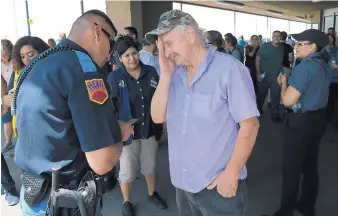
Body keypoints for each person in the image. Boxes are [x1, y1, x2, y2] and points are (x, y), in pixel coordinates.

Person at [14, 10, 133, 216]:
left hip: (32, 194)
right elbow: (102, 162)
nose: (110, 53)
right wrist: (120, 134)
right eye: (111, 44)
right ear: (97, 31)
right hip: (65, 203)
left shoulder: (37, 63)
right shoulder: (84, 67)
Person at [146, 10, 260, 216]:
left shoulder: (229, 70)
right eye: (160, 46)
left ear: (190, 35)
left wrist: (232, 174)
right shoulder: (174, 74)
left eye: (168, 43)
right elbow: (157, 117)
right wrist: (165, 75)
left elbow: (250, 125)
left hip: (217, 185)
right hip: (183, 184)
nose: (164, 52)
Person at [274, 29, 331, 216]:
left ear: (312, 46)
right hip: (318, 120)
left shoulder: (304, 67)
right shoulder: (324, 64)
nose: (295, 47)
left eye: (300, 44)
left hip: (301, 123)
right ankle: (307, 206)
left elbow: (288, 101)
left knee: (291, 169)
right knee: (310, 165)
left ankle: (286, 211)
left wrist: (284, 83)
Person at [108, 36, 167, 216]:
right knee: (127, 171)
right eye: (127, 55)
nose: (132, 58)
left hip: (150, 129)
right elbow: (110, 107)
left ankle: (151, 193)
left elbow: (160, 97)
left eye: (134, 53)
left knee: (150, 166)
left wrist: (162, 120)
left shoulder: (150, 72)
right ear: (120, 57)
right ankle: (127, 201)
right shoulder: (115, 77)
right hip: (128, 134)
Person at [5, 36, 50, 138]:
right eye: (22, 56)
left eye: (31, 54)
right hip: (22, 126)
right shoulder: (17, 71)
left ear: (41, 51)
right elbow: (7, 97)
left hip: (44, 127)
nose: (26, 59)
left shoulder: (51, 70)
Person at [256, 30, 284, 121]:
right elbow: (257, 59)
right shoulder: (265, 46)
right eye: (274, 36)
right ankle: (257, 110)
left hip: (276, 77)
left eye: (278, 36)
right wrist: (258, 73)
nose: (276, 37)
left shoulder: (281, 47)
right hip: (264, 76)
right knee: (261, 95)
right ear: (272, 37)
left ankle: (274, 115)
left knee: (276, 97)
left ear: (281, 38)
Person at [1, 39, 14, 153]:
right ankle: (8, 142)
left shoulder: (16, 60)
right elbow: (2, 84)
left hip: (18, 92)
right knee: (5, 118)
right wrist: (3, 101)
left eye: (2, 48)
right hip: (8, 94)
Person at [323, 33, 338, 125]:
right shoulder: (321, 50)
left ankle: (331, 115)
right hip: (326, 78)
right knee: (326, 98)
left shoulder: (336, 50)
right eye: (327, 38)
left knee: (333, 99)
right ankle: (326, 116)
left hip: (335, 79)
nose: (329, 39)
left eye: (331, 38)